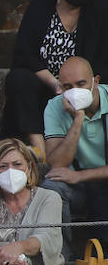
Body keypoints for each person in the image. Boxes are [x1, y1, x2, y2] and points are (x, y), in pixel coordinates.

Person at [5, 0, 108, 149]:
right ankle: (38, 147)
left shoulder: (102, 7)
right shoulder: (40, 7)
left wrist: (80, 85)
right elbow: (25, 54)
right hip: (48, 85)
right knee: (19, 79)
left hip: (88, 83)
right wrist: (55, 84)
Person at [43, 56, 108, 236]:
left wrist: (80, 176)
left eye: (81, 84)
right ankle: (63, 257)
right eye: (68, 87)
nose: (75, 91)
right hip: (77, 188)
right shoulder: (54, 107)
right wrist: (78, 119)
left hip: (94, 179)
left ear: (95, 81)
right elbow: (56, 164)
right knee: (51, 188)